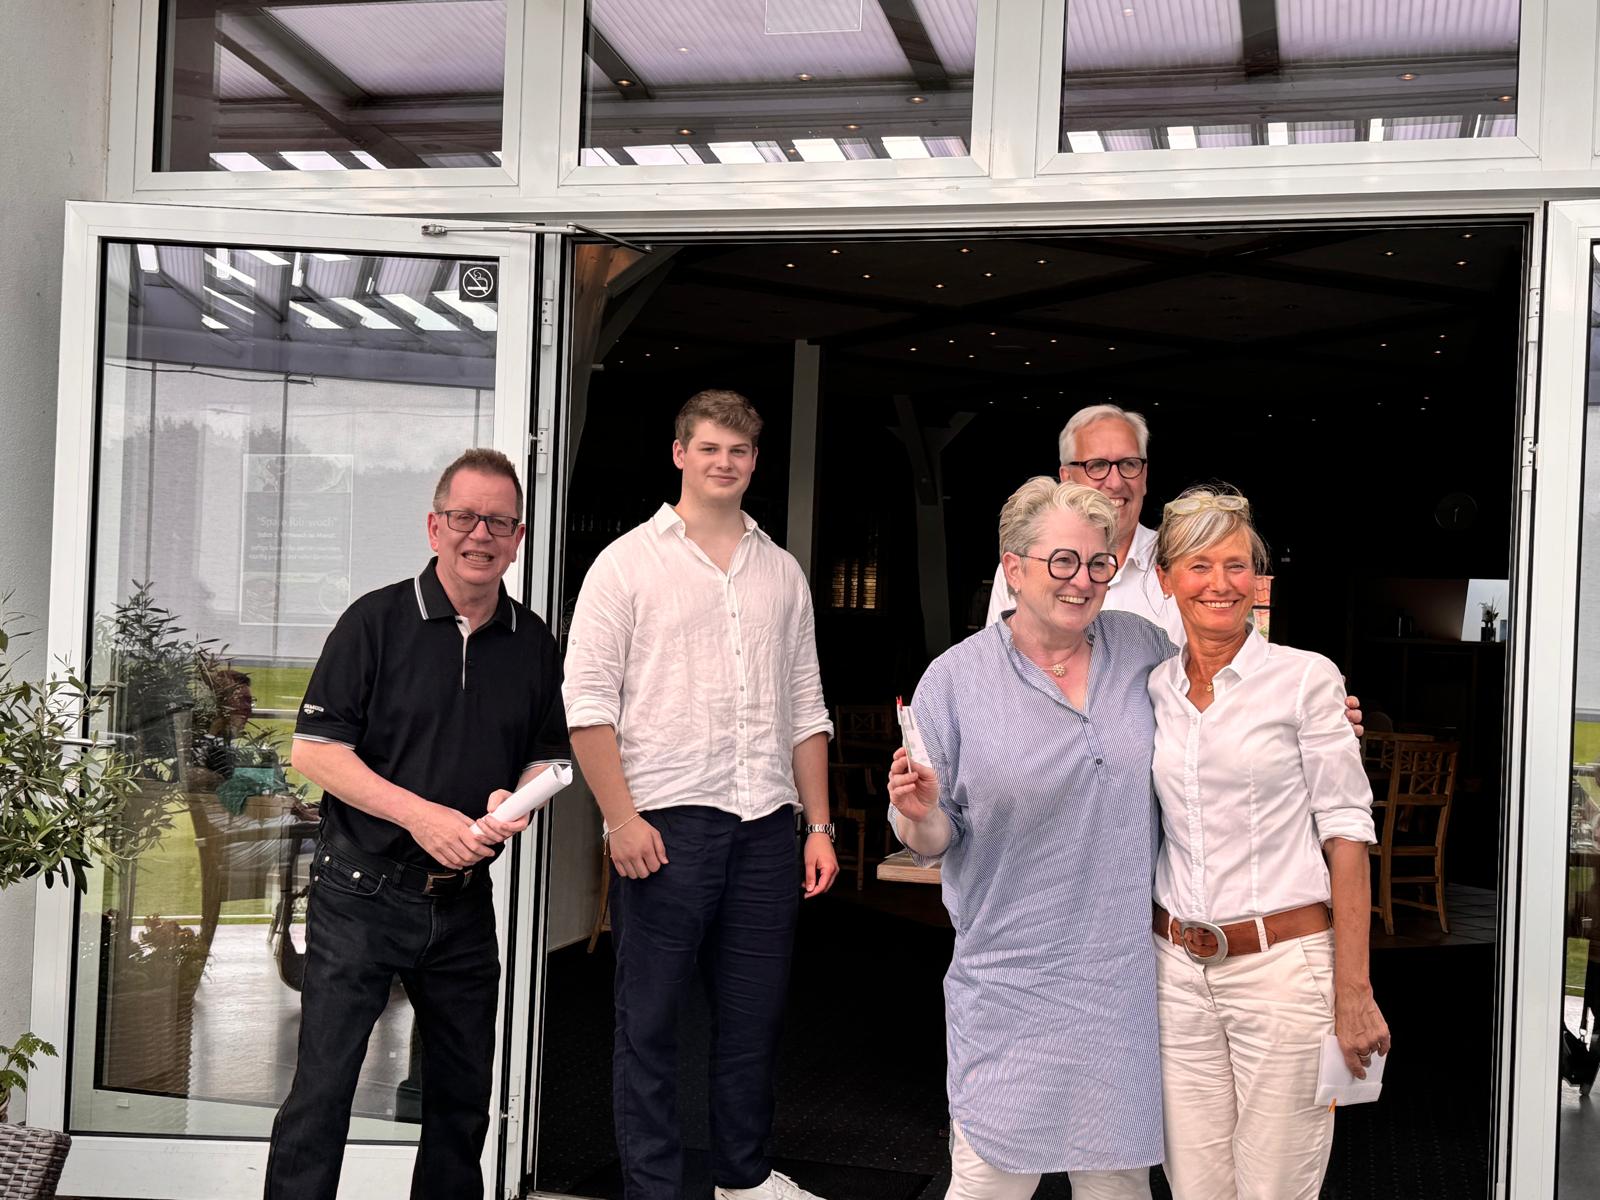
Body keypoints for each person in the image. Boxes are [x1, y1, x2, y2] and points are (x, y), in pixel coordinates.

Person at [264, 448, 569, 1200]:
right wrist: (421, 815)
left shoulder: (533, 643)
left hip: (463, 906)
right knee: (322, 1097)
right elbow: (315, 751)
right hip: (359, 895)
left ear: (519, 538)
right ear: (435, 528)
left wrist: (514, 801)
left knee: (461, 1107)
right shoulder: (375, 621)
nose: (480, 534)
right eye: (464, 517)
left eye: (498, 522)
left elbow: (548, 756)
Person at [563, 390, 838, 1200]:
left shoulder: (780, 571)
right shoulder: (625, 564)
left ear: (755, 461)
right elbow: (587, 707)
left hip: (766, 828)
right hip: (664, 829)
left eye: (740, 450)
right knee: (648, 1024)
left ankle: (742, 1180)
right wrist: (620, 819)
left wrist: (818, 826)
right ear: (680, 453)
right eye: (710, 447)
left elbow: (806, 706)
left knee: (754, 1022)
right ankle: (651, 1189)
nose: (725, 462)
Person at [888, 477, 1167, 1200]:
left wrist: (1314, 714)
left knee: (1117, 1188)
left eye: (1099, 563)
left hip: (1122, 984)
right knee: (989, 1185)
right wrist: (916, 811)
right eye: (1063, 561)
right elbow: (931, 837)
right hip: (1010, 982)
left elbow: (1220, 720)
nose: (1083, 580)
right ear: (1013, 568)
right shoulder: (954, 681)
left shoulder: (1143, 649)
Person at [1148, 485, 1389, 1200]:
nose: (1220, 584)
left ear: (1258, 578)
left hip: (1284, 974)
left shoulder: (1306, 679)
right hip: (1176, 974)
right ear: (1165, 579)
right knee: (1194, 1187)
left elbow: (1348, 834)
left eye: (1236, 565)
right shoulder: (1153, 686)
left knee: (1276, 1187)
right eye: (1198, 565)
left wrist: (1354, 990)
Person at [984, 404, 1183, 643]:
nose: (1115, 483)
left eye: (1129, 464)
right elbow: (998, 657)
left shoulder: (1183, 565)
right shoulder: (1025, 565)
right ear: (1066, 478)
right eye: (1097, 465)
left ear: (1145, 476)